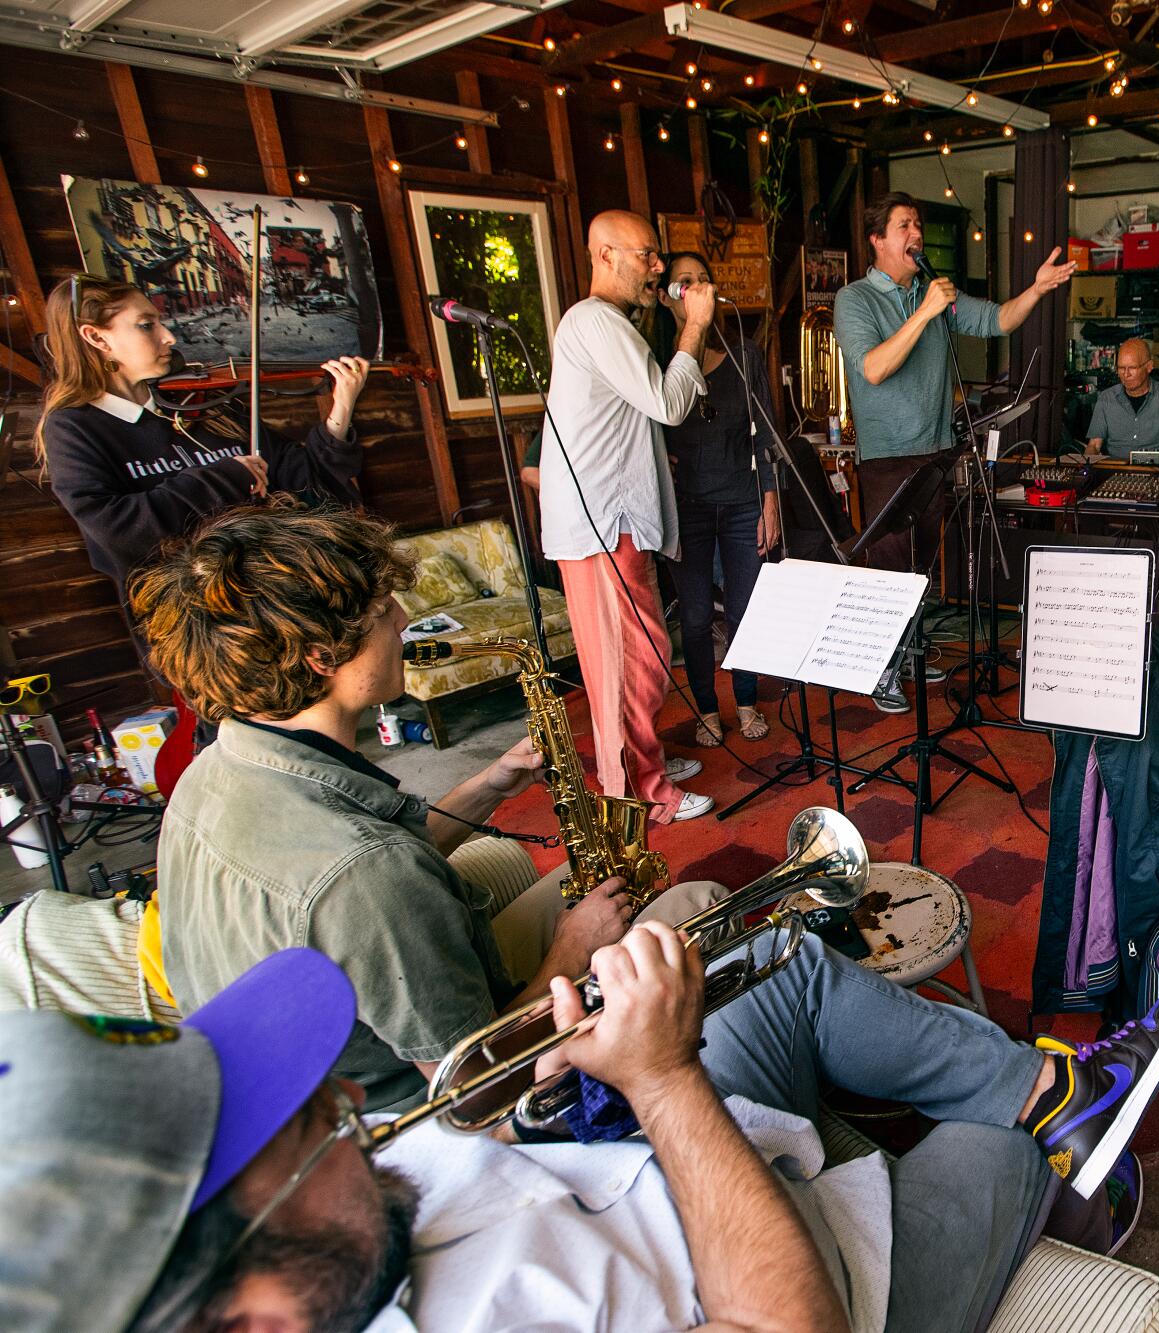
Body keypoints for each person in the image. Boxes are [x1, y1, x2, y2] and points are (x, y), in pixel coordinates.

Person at [0, 932, 1159, 1331]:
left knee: (777, 973)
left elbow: (479, 1183)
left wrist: (550, 1102)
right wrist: (667, 1084)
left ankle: (1055, 1093)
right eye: (315, 1133)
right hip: (798, 1271)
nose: (353, 1107)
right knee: (980, 1154)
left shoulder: (326, 1261)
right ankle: (1054, 1162)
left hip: (638, 1173)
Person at [133, 501, 676, 1112]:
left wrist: (490, 783)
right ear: (321, 656)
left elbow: (372, 867)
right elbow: (471, 1088)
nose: (402, 620)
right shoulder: (366, 874)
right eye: (382, 611)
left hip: (284, 1063)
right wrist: (573, 950)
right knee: (688, 907)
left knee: (530, 869)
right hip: (401, 1116)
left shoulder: (210, 770)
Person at [833, 192, 1076, 712]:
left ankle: (913, 648)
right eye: (904, 226)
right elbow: (874, 368)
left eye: (917, 224)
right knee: (891, 571)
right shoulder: (855, 300)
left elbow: (997, 321)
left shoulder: (934, 293)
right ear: (877, 240)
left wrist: (1035, 289)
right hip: (887, 458)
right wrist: (924, 312)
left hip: (937, 452)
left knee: (923, 568)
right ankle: (881, 669)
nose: (915, 234)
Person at [35, 274, 370, 605]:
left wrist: (341, 409)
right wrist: (226, 478)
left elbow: (308, 482)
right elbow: (118, 530)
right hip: (196, 622)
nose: (168, 336)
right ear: (97, 338)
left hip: (279, 598)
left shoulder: (203, 404)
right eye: (146, 325)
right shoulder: (74, 428)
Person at [539, 209, 715, 823]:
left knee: (639, 654)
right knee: (629, 662)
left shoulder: (606, 324)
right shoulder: (594, 320)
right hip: (601, 525)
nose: (659, 266)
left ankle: (646, 763)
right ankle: (646, 793)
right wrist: (693, 328)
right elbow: (669, 403)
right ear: (606, 256)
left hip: (612, 521)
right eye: (647, 254)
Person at [653, 250, 781, 748]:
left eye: (704, 279)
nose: (699, 289)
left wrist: (770, 502)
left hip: (743, 503)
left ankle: (746, 702)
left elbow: (766, 435)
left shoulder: (744, 355)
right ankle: (707, 709)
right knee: (697, 615)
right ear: (669, 300)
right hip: (688, 510)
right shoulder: (658, 363)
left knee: (746, 611)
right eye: (686, 283)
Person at [1085, 338, 1159, 464]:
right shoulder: (1106, 398)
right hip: (1115, 474)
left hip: (1158, 475)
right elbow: (1094, 445)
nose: (1126, 374)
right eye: (1121, 368)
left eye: (1132, 368)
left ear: (1149, 366)